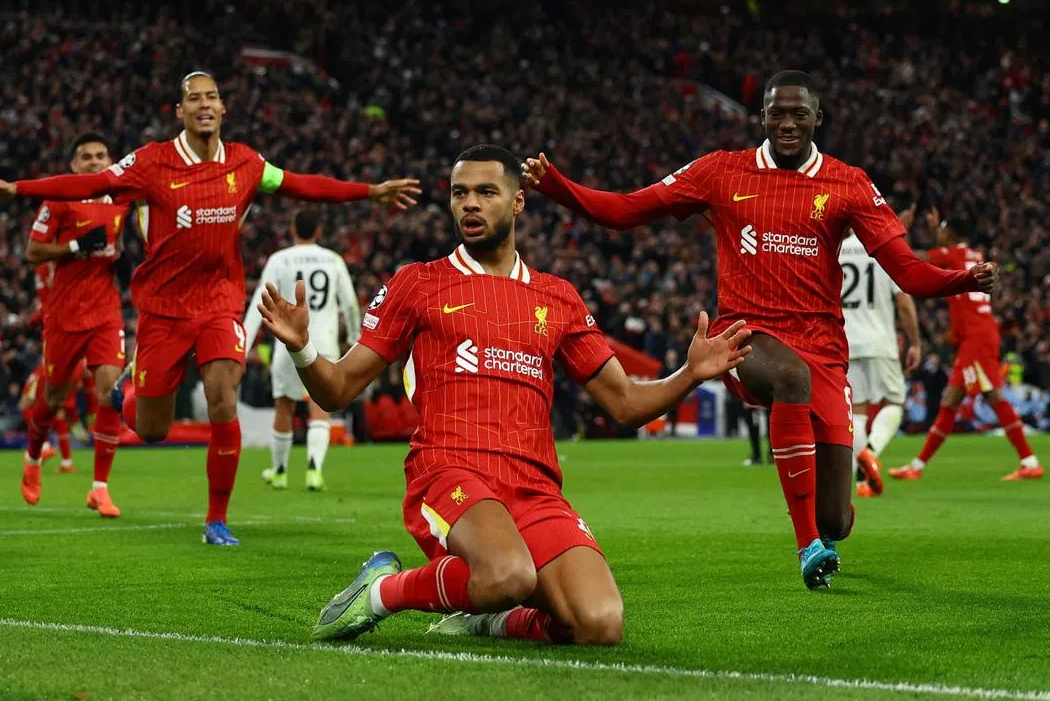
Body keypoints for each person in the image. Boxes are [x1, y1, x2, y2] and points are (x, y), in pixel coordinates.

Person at [521, 70, 999, 588]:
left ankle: (822, 531)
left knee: (838, 517)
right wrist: (558, 187)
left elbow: (906, 270)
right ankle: (805, 546)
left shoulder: (849, 182)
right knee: (789, 379)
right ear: (762, 117)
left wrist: (960, 280)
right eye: (777, 112)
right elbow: (624, 210)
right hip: (745, 336)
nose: (787, 123)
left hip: (825, 349)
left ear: (818, 118)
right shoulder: (721, 172)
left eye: (799, 113)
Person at [256, 145, 751, 643]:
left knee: (599, 624)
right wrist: (302, 349)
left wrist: (689, 373)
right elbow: (339, 389)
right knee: (507, 575)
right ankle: (382, 591)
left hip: (534, 486)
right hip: (450, 470)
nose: (470, 204)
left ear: (517, 203)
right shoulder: (418, 284)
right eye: (459, 193)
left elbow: (625, 403)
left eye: (486, 192)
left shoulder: (557, 297)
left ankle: (487, 619)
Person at [0, 71, 420, 545]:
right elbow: (93, 181)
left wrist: (371, 191)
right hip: (163, 310)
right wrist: (16, 189)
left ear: (223, 109)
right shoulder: (152, 163)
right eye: (193, 98)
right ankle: (127, 392)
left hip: (220, 302)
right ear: (179, 112)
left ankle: (216, 521)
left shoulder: (246, 163)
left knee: (223, 397)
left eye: (212, 97)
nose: (204, 104)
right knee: (152, 427)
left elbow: (303, 185)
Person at [20, 132, 129, 517]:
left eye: (102, 155)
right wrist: (75, 247)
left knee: (110, 391)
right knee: (51, 400)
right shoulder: (59, 200)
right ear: (74, 165)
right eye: (86, 157)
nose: (95, 162)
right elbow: (32, 253)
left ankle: (99, 487)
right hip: (64, 315)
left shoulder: (123, 198)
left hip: (106, 312)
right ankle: (33, 458)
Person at [889, 211, 1042, 482]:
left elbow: (911, 257)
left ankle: (1029, 461)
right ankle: (917, 466)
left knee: (993, 396)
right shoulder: (971, 255)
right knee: (951, 402)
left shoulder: (952, 255)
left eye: (943, 229)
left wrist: (903, 229)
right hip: (979, 334)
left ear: (951, 235)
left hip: (976, 340)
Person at [242, 207, 360, 491]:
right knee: (320, 406)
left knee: (284, 405)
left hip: (289, 342)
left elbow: (261, 302)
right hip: (325, 341)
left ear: (292, 230)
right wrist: (356, 338)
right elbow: (351, 304)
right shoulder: (333, 260)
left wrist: (243, 346)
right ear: (318, 232)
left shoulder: (279, 259)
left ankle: (280, 472)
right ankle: (314, 471)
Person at [838, 229, 922, 497]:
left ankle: (864, 483)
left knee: (858, 411)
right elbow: (904, 303)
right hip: (880, 341)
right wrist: (915, 342)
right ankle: (870, 454)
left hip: (846, 341)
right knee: (894, 402)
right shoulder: (883, 250)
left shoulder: (837, 251)